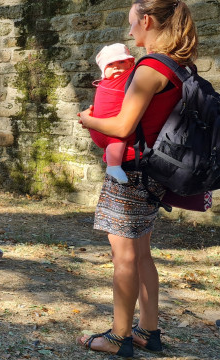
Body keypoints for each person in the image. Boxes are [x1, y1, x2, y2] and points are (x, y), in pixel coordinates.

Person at [77, 0, 197, 356]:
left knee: (124, 257)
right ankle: (148, 330)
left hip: (131, 172)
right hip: (153, 173)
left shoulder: (150, 68)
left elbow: (122, 126)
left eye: (132, 24)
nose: (130, 32)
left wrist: (87, 119)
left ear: (146, 20)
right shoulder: (179, 65)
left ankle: (118, 337)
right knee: (142, 254)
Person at [89, 43, 136, 184]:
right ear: (103, 69)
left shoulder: (120, 80)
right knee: (117, 139)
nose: (116, 66)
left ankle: (113, 164)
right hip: (105, 127)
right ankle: (113, 166)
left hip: (98, 126)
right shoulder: (107, 83)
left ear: (130, 64)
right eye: (110, 64)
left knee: (115, 143)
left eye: (122, 62)